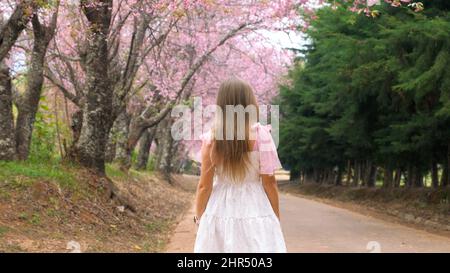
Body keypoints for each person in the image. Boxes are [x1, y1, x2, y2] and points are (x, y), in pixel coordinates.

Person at [193, 78, 287, 253]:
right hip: (255, 204)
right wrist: (275, 218)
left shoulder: (211, 140)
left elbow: (204, 186)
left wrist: (199, 218)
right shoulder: (262, 136)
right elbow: (270, 182)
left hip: (220, 205)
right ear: (249, 103)